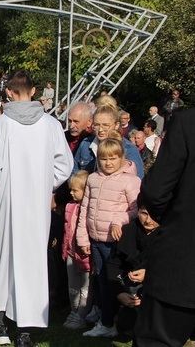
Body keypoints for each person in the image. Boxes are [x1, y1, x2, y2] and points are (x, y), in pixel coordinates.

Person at [0, 70, 73, 347]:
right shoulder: (51, 125)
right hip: (36, 204)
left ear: (8, 93)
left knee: (3, 259)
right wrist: (43, 185)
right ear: (33, 91)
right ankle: (25, 331)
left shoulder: (1, 125)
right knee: (31, 262)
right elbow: (64, 165)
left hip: (8, 202)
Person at [133, 103, 195, 346]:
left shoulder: (192, 122)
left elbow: (156, 191)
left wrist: (176, 220)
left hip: (185, 258)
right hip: (184, 262)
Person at [76, 138, 140, 337]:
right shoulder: (94, 179)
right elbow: (85, 209)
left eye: (113, 158)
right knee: (102, 283)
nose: (108, 163)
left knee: (118, 283)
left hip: (116, 242)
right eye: (104, 159)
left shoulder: (130, 181)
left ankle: (123, 323)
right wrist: (83, 238)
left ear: (122, 158)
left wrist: (119, 220)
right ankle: (106, 322)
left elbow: (136, 209)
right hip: (96, 239)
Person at [107, 203, 160, 336]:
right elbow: (114, 264)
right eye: (144, 214)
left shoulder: (169, 236)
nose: (148, 220)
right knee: (127, 329)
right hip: (131, 290)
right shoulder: (129, 231)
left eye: (154, 216)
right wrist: (119, 293)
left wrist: (150, 274)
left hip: (159, 291)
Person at [73, 104, 145, 179]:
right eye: (97, 125)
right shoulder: (86, 144)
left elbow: (137, 180)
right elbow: (74, 173)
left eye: (105, 125)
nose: (100, 130)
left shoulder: (128, 148)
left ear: (117, 125)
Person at [61, 170, 94, 330]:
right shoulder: (70, 206)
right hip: (71, 252)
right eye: (71, 190)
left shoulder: (90, 209)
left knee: (85, 287)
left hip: (85, 255)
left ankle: (82, 314)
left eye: (75, 190)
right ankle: (74, 312)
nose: (71, 193)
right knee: (73, 286)